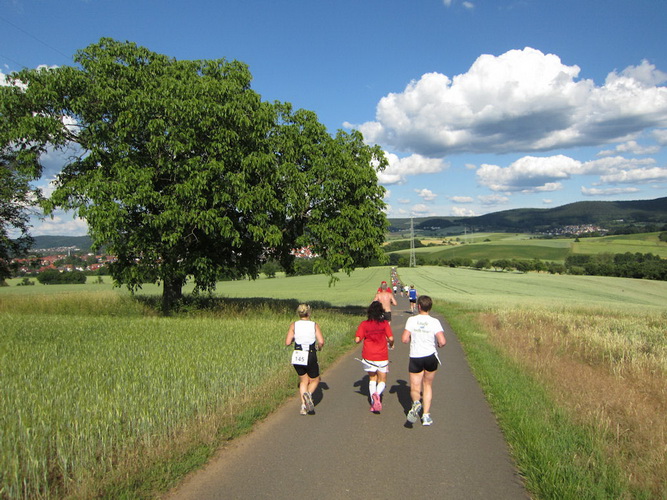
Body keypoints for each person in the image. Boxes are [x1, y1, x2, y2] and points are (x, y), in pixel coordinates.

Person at [401, 295, 446, 426]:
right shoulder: (435, 322)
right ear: (430, 307)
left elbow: (404, 339)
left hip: (416, 356)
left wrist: (411, 338)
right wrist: (439, 344)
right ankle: (426, 416)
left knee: (415, 386)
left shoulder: (411, 320)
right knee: (427, 385)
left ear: (419, 306)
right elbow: (442, 341)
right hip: (430, 356)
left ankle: (416, 403)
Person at [285, 304, 325, 415]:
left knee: (303, 381)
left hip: (298, 354)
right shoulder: (314, 325)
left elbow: (287, 342)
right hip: (310, 353)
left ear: (299, 313)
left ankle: (303, 406)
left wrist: (294, 339)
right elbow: (321, 341)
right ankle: (309, 394)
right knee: (315, 379)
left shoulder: (294, 325)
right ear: (309, 313)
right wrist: (319, 347)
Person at [355, 301, 394, 412]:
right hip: (382, 355)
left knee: (372, 378)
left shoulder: (364, 324)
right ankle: (377, 393)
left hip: (368, 355)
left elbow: (357, 340)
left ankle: (373, 402)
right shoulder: (384, 324)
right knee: (382, 379)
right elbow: (391, 338)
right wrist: (391, 344)